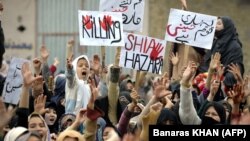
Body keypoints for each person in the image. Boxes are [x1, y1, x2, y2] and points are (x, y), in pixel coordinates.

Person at [199, 16, 244, 82]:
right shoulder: (215, 41)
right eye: (215, 23)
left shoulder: (235, 47)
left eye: (219, 24)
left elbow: (235, 71)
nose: (215, 26)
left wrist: (219, 77)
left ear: (227, 28)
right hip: (207, 77)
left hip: (221, 81)